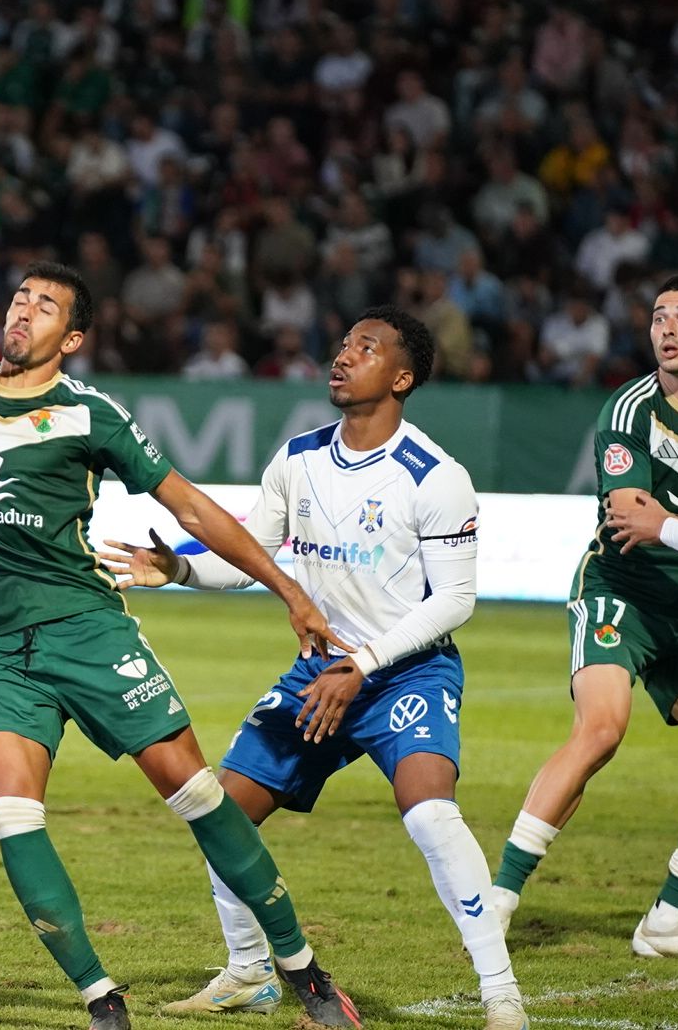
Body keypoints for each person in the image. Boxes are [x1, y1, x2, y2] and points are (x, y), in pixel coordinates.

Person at [0, 262, 360, 1030]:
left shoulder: (89, 413)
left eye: (44, 307)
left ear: (70, 338)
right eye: (18, 299)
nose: (21, 313)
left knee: (197, 794)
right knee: (9, 815)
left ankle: (303, 972)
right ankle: (103, 1002)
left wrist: (290, 589)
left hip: (89, 634)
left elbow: (192, 507)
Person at [104, 307, 525, 1030]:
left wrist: (363, 662)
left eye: (366, 348)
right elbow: (250, 560)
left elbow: (456, 599)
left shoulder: (435, 476)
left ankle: (500, 993)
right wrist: (179, 567)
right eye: (343, 344)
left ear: (402, 376)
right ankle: (248, 972)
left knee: (429, 814)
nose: (343, 356)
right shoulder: (298, 457)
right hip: (319, 674)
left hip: (405, 673)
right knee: (220, 814)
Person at [491, 275, 678, 960]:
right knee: (602, 729)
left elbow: (662, 522)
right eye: (659, 316)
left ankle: (666, 921)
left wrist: (672, 524)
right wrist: (661, 525)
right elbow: (632, 519)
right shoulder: (631, 409)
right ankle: (498, 903)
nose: (667, 329)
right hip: (622, 592)